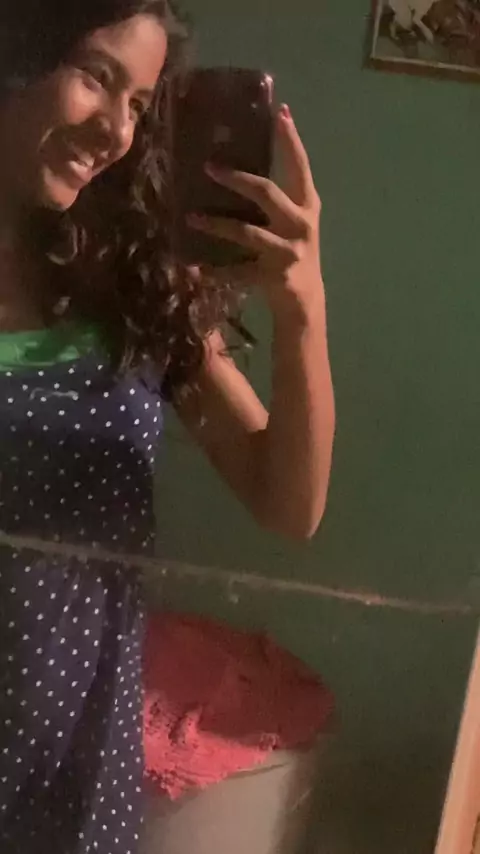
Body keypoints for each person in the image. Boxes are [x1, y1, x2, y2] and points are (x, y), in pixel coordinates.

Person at [0, 0, 335, 850]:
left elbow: (288, 505)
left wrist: (301, 310)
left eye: (140, 104)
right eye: (96, 77)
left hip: (78, 787)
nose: (116, 129)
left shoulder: (129, 278)